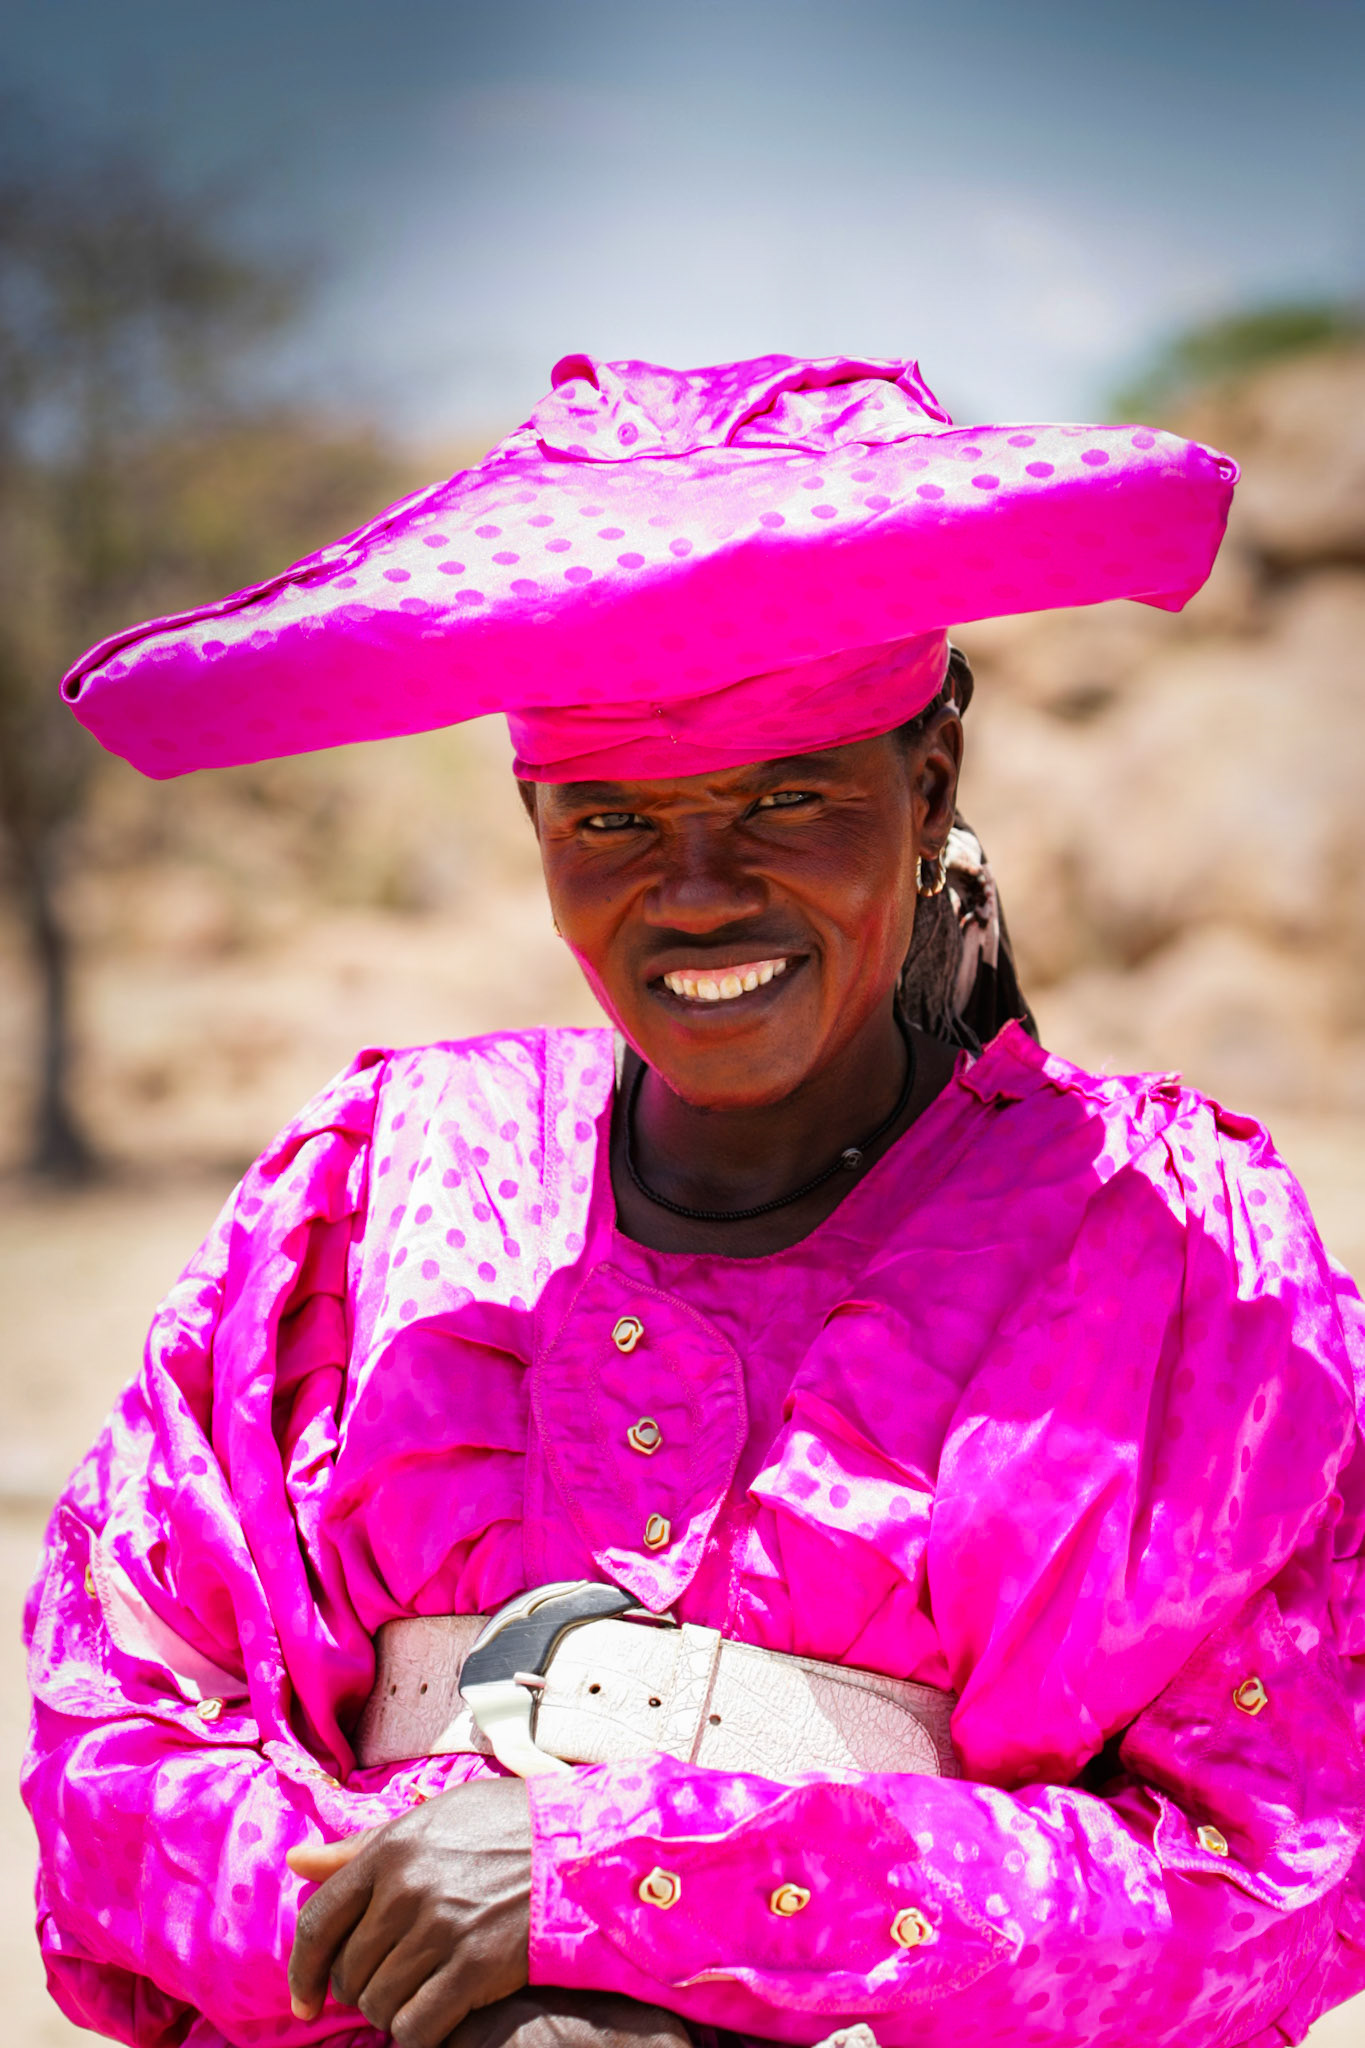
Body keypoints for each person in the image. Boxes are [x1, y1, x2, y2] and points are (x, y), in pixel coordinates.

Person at [25, 353, 1365, 2048]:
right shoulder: (367, 1197)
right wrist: (442, 1936)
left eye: (787, 800)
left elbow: (1267, 1882)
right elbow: (115, 1748)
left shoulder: (1164, 1256)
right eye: (613, 822)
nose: (699, 895)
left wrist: (625, 1889)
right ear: (534, 825)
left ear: (932, 780)